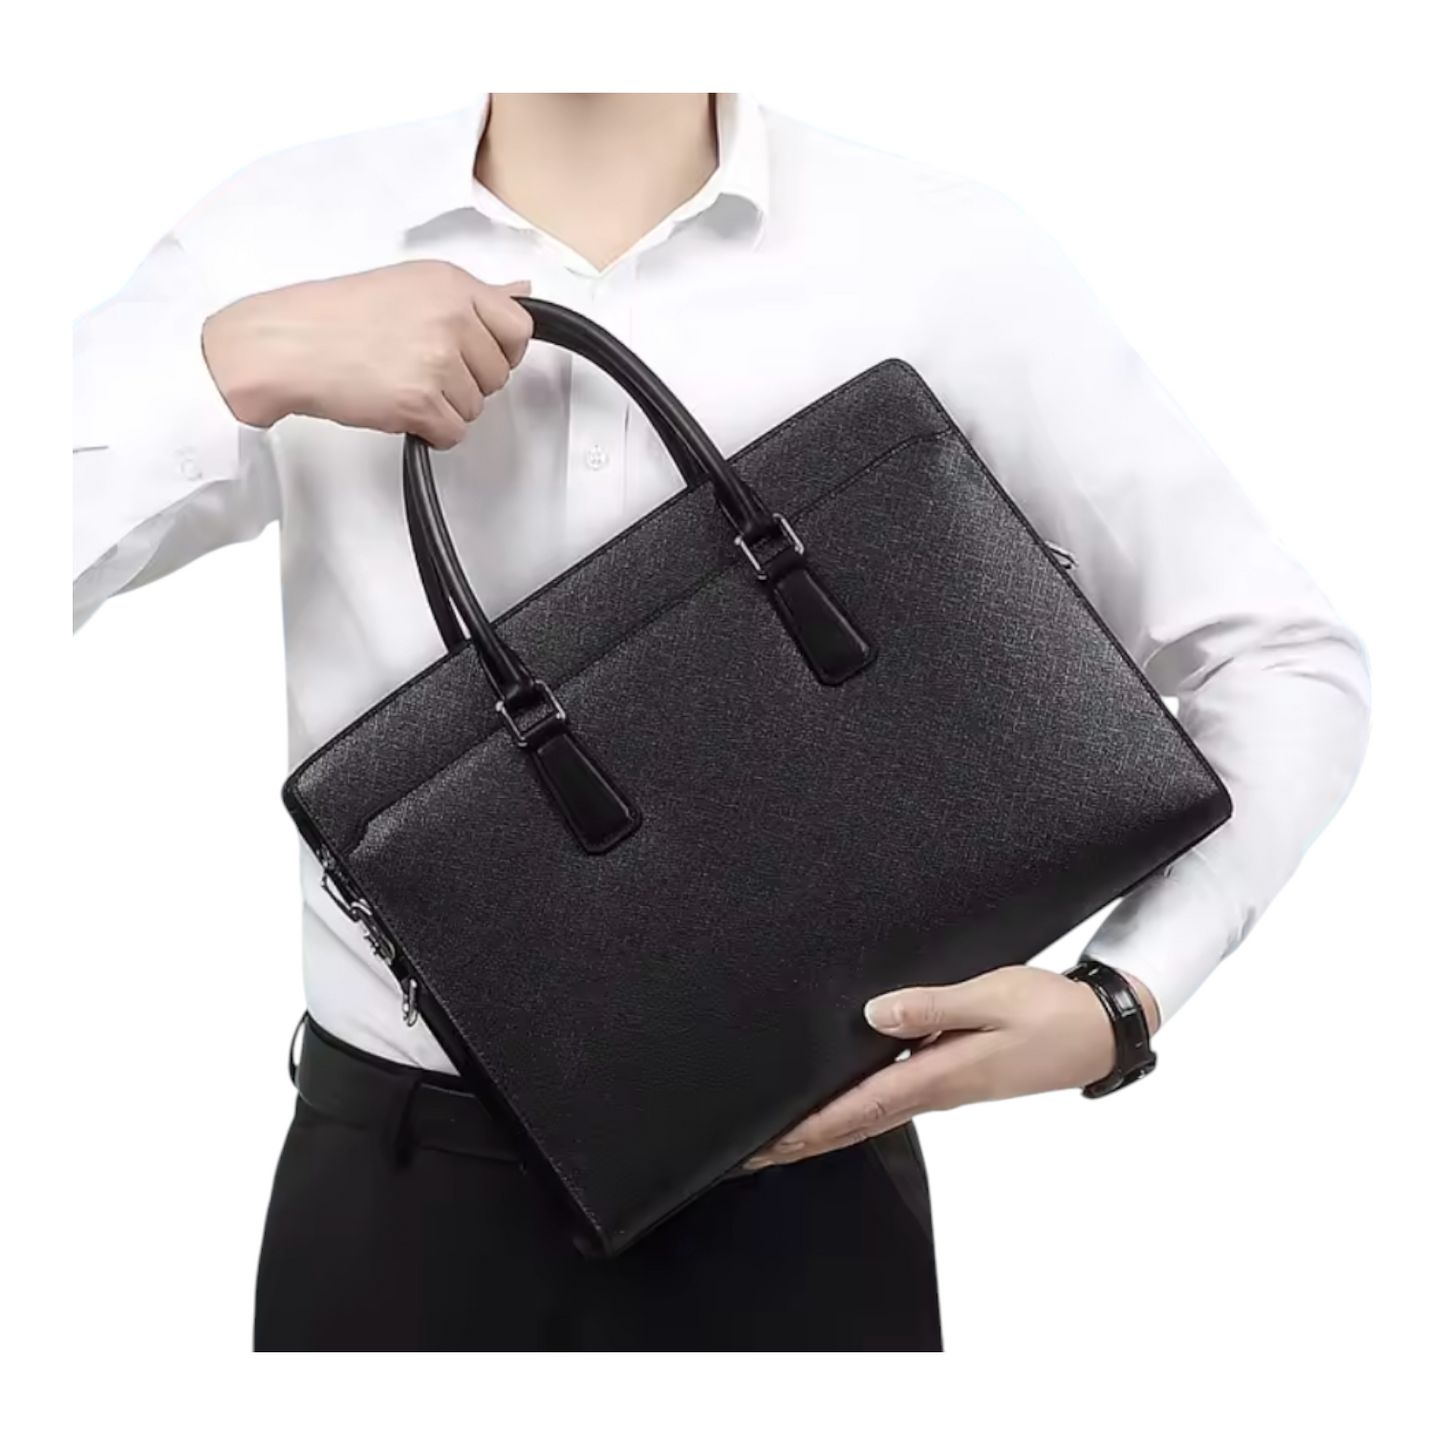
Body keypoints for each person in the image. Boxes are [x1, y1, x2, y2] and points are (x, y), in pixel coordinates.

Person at [72, 91, 1372, 1352]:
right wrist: (233, 360)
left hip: (804, 1198)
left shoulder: (933, 247)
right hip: (398, 1202)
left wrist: (1123, 1002)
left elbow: (1283, 656)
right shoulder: (284, 228)